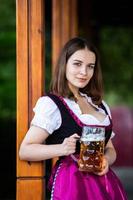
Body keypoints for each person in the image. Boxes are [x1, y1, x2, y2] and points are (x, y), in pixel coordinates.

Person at [19, 37, 128, 200]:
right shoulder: (52, 104)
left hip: (104, 184)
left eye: (90, 66)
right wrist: (61, 149)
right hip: (71, 185)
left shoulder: (101, 105)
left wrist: (106, 160)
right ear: (65, 65)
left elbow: (110, 149)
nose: (84, 72)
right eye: (77, 64)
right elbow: (25, 150)